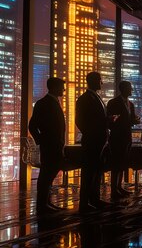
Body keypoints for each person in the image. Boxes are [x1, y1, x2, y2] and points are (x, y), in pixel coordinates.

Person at [28, 77, 67, 214]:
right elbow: (32, 126)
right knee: (46, 175)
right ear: (54, 87)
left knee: (49, 174)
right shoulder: (44, 103)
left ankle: (46, 203)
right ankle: (42, 205)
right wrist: (42, 140)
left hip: (55, 145)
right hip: (50, 146)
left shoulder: (52, 102)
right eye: (62, 86)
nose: (64, 89)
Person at [76, 72, 109, 212]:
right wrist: (91, 132)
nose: (102, 83)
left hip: (99, 140)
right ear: (94, 81)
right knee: (89, 173)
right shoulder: (85, 99)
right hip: (92, 141)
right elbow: (80, 121)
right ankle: (84, 204)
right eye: (100, 80)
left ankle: (94, 199)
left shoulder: (96, 97)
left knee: (97, 171)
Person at [106, 81, 140, 200]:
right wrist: (123, 123)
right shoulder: (113, 102)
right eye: (130, 88)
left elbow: (131, 119)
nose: (131, 90)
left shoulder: (130, 104)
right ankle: (114, 189)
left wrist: (135, 120)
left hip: (127, 137)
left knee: (122, 163)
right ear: (123, 89)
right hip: (116, 137)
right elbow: (109, 121)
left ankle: (119, 187)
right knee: (116, 164)